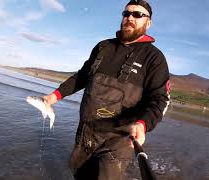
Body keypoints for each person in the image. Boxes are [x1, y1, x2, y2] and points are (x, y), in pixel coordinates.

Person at [43, 0, 170, 179]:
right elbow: (82, 76)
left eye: (137, 14)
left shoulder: (155, 59)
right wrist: (53, 97)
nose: (130, 18)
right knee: (80, 174)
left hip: (120, 138)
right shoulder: (103, 47)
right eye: (126, 14)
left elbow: (159, 100)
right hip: (86, 132)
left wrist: (142, 125)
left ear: (148, 22)